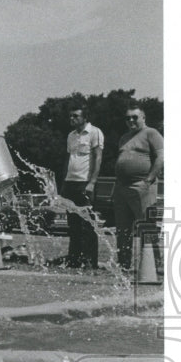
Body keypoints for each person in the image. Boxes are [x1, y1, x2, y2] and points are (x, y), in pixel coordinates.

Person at [112, 105, 163, 271]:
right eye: (128, 118)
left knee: (147, 227)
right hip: (122, 187)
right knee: (122, 229)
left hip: (142, 185)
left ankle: (153, 267)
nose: (131, 120)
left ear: (143, 117)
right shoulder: (124, 137)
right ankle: (124, 266)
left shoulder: (151, 133)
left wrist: (148, 180)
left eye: (135, 117)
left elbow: (161, 157)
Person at [60, 106, 104, 269]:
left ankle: (89, 261)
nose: (72, 119)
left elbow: (98, 157)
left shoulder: (94, 132)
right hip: (70, 182)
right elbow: (68, 159)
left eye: (76, 116)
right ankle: (74, 259)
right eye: (70, 116)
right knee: (73, 224)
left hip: (85, 182)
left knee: (88, 224)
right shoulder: (71, 135)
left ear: (85, 118)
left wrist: (92, 182)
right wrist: (63, 182)